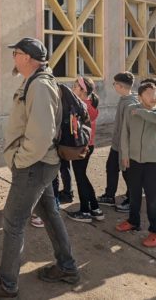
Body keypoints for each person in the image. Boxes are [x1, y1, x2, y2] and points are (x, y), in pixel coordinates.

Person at [0, 38, 79, 300]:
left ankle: (7, 284)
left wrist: (20, 160)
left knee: (13, 222)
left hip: (34, 165)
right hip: (39, 165)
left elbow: (42, 133)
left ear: (29, 58)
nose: (14, 57)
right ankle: (67, 267)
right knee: (50, 213)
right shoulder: (36, 81)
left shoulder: (40, 85)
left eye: (17, 53)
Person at [116, 82, 156, 247]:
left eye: (155, 93)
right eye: (149, 93)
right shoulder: (130, 109)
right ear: (140, 96)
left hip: (153, 161)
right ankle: (133, 221)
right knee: (133, 193)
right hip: (133, 159)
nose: (153, 97)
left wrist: (142, 112)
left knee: (153, 198)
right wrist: (125, 154)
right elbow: (124, 133)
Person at [97, 72, 138, 212]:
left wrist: (125, 149)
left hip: (125, 147)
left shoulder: (131, 103)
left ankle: (132, 200)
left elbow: (130, 130)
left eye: (114, 84)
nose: (114, 86)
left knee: (128, 173)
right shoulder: (124, 99)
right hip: (116, 144)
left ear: (120, 86)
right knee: (111, 168)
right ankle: (109, 196)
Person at [67, 76, 104, 223]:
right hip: (89, 145)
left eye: (75, 86)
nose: (73, 88)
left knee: (81, 178)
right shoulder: (90, 104)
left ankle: (85, 211)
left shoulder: (81, 106)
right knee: (83, 176)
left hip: (81, 146)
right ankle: (95, 208)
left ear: (83, 90)